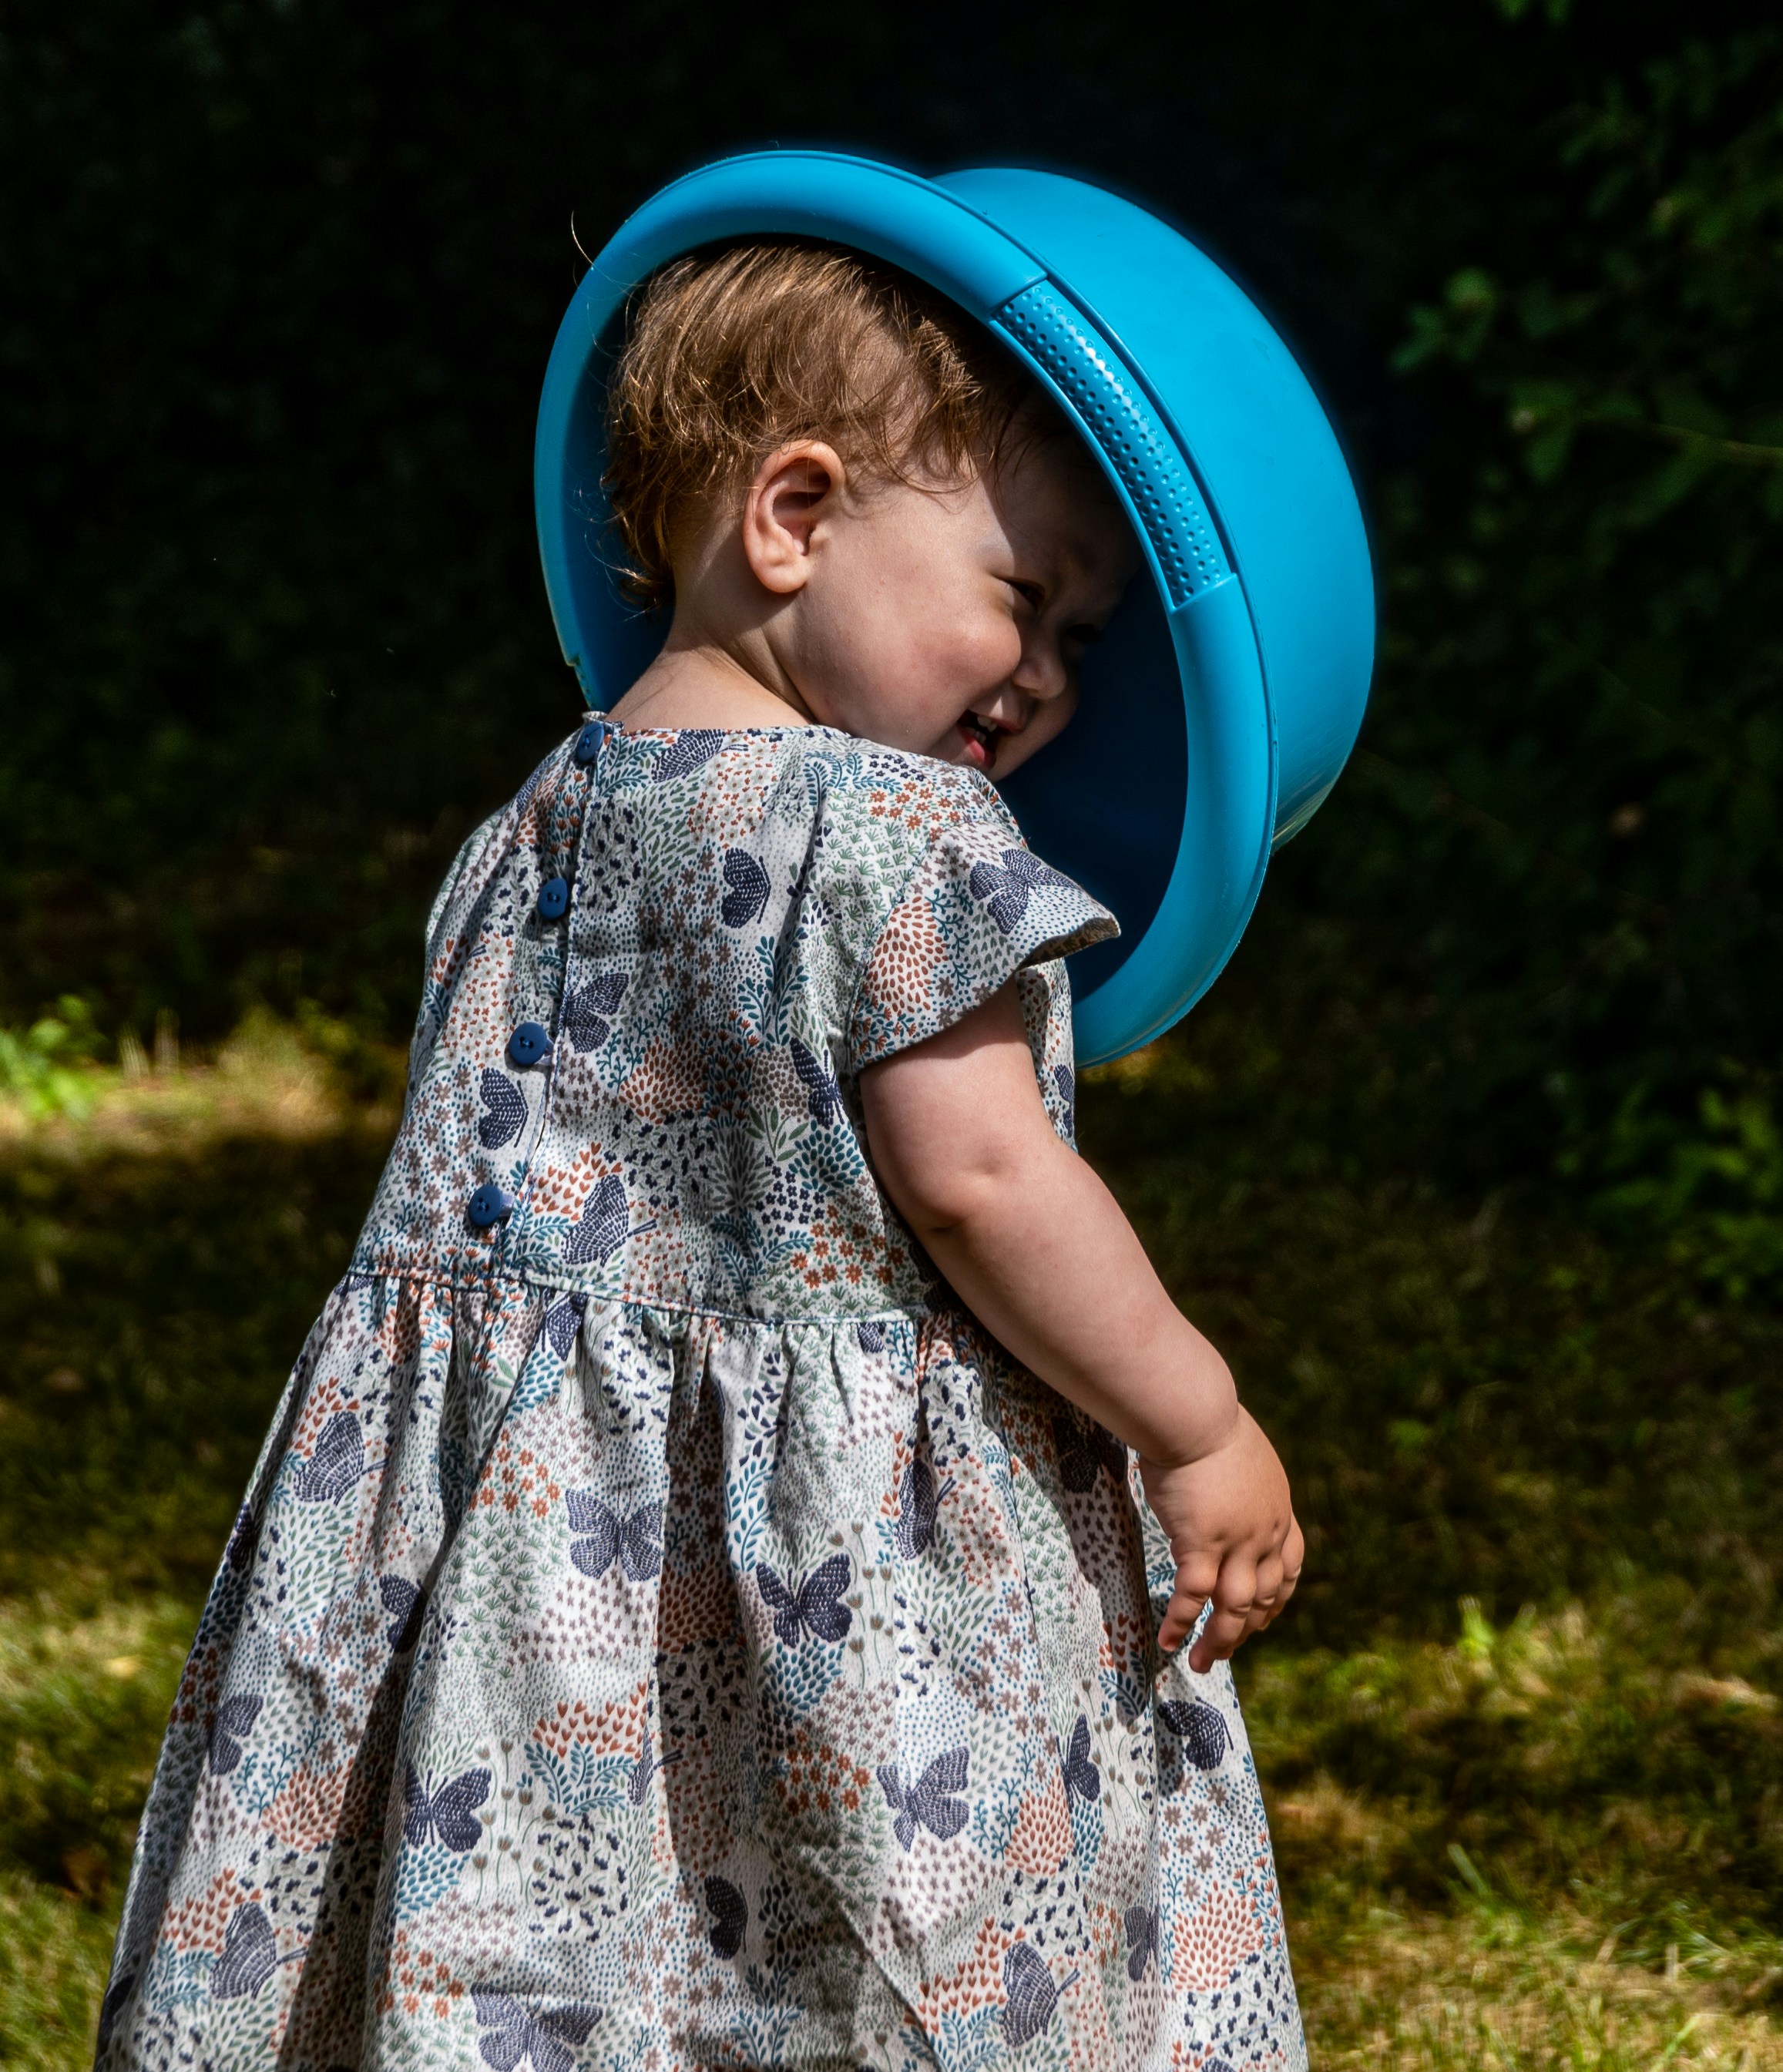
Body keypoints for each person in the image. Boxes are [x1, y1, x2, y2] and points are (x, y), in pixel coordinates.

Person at [98, 240, 1306, 2071]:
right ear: (794, 512)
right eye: (1025, 600)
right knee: (858, 1939)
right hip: (828, 1571)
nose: (1046, 682)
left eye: (1077, 642)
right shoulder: (904, 832)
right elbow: (983, 1180)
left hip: (495, 1548)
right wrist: (1196, 1421)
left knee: (550, 1931)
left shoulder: (541, 809)